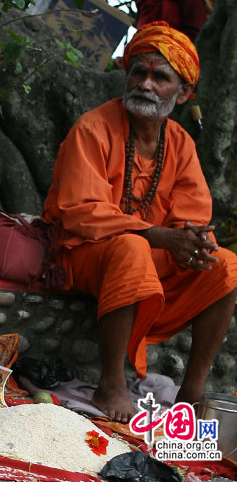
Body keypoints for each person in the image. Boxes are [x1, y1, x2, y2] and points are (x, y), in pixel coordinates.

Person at [42, 21, 237, 423]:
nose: (145, 85)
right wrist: (160, 236)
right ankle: (111, 383)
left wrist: (194, 241)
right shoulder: (93, 128)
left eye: (160, 77)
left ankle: (192, 392)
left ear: (182, 93)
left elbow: (192, 215)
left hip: (152, 260)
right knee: (132, 247)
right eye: (139, 72)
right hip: (84, 254)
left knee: (227, 265)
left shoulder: (180, 142)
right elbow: (81, 211)